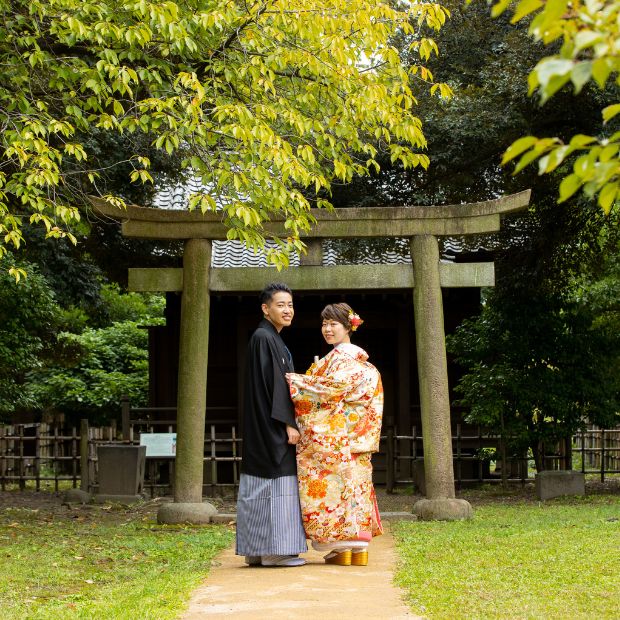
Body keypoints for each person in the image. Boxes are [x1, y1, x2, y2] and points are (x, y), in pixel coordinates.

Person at [286, 302, 383, 566]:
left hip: (336, 437)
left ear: (348, 327)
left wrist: (295, 382)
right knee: (356, 490)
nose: (327, 329)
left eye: (334, 324)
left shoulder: (344, 359)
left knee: (337, 489)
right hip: (355, 436)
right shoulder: (359, 362)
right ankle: (356, 549)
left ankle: (342, 548)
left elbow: (328, 391)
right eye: (324, 324)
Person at [235, 282, 308, 567]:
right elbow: (274, 386)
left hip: (263, 424)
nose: (287, 310)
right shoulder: (264, 338)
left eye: (290, 305)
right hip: (271, 425)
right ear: (266, 309)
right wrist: (289, 424)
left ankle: (257, 550)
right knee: (278, 479)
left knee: (259, 481)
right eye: (280, 305)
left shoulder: (268, 338)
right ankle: (275, 551)